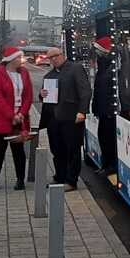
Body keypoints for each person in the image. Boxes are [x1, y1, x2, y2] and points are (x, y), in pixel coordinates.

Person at [40, 47, 91, 191]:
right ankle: (60, 177)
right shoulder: (49, 76)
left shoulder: (75, 69)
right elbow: (43, 97)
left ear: (62, 55)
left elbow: (85, 91)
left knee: (72, 150)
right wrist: (42, 94)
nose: (53, 59)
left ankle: (71, 181)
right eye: (50, 58)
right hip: (53, 119)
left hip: (71, 117)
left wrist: (82, 111)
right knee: (57, 149)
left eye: (56, 56)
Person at [0, 47, 33, 191]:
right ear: (11, 60)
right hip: (2, 118)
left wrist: (21, 113)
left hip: (20, 119)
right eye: (19, 58)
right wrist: (11, 115)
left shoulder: (24, 73)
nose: (21, 60)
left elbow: (28, 96)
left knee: (18, 151)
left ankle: (20, 180)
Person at [92, 36, 117, 175]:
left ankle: (109, 166)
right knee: (103, 137)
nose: (96, 53)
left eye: (98, 51)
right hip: (103, 110)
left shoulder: (109, 67)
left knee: (108, 139)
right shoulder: (103, 66)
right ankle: (106, 164)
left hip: (108, 111)